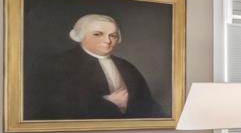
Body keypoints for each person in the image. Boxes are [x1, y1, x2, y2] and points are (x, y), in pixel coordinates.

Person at [27, 14, 166, 120]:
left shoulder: (127, 66)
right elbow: (51, 109)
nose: (107, 40)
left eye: (113, 36)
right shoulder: (58, 64)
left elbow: (148, 105)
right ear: (80, 36)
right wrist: (108, 103)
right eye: (98, 34)